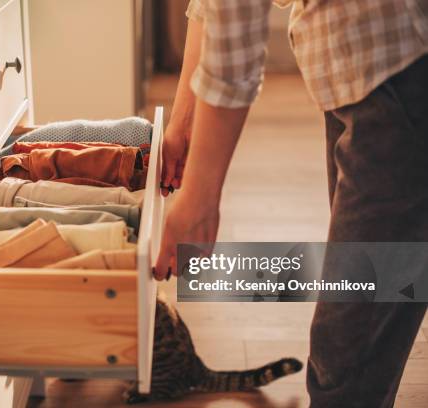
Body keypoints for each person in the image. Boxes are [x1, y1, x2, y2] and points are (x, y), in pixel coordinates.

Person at [153, 0, 428, 407]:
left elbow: (235, 54)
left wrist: (199, 198)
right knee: (376, 296)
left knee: (347, 357)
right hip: (357, 76)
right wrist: (183, 120)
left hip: (400, 77)